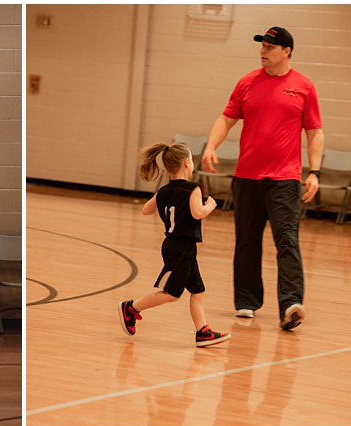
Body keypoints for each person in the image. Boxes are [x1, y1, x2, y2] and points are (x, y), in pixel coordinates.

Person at [202, 26, 323, 330]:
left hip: (284, 180)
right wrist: (211, 146)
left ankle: (291, 304)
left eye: (270, 47)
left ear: (287, 51)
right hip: (246, 177)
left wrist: (314, 172)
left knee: (287, 241)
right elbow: (226, 117)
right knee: (247, 242)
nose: (263, 52)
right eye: (262, 46)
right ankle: (246, 302)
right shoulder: (247, 83)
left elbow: (315, 132)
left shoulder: (304, 87)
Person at [120, 142, 231, 347]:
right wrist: (210, 206)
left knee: (198, 291)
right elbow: (198, 213)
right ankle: (132, 308)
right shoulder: (193, 188)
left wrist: (163, 198)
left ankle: (202, 332)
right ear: (187, 162)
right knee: (171, 294)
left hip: (175, 244)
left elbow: (146, 210)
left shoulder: (164, 190)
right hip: (181, 247)